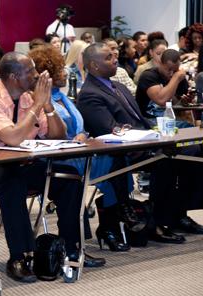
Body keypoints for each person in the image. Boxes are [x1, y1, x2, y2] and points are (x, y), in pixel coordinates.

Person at [0, 52, 97, 283]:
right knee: (11, 181)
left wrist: (48, 107)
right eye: (30, 71)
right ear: (13, 76)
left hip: (17, 165)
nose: (36, 75)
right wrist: (37, 105)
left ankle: (71, 248)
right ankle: (20, 257)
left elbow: (57, 136)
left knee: (68, 176)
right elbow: (12, 138)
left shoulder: (27, 98)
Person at [77, 43, 203, 245]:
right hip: (123, 150)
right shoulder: (89, 94)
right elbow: (110, 130)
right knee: (167, 158)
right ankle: (159, 222)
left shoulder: (118, 86)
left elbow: (140, 118)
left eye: (114, 56)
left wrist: (155, 133)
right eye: (109, 57)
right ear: (94, 65)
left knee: (192, 148)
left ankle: (180, 214)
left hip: (144, 140)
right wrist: (147, 137)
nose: (115, 60)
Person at [29, 45, 131, 253]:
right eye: (58, 70)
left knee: (119, 161)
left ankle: (111, 223)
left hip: (77, 151)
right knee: (112, 164)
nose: (65, 73)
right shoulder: (37, 101)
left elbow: (80, 127)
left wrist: (82, 135)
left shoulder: (63, 97)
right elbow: (46, 134)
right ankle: (112, 222)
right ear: (44, 76)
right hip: (56, 158)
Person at [136, 49, 194, 126]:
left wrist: (186, 100)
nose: (171, 73)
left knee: (193, 125)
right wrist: (176, 78)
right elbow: (161, 100)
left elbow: (182, 102)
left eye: (175, 70)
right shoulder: (148, 76)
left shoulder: (178, 76)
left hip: (171, 118)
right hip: (149, 120)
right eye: (169, 69)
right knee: (187, 127)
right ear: (160, 63)